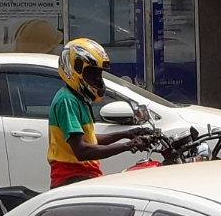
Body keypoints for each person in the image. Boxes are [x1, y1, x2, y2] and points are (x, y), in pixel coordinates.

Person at [44, 37, 151, 187]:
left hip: (85, 175)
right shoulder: (67, 101)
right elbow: (82, 151)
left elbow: (90, 140)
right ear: (75, 70)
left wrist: (127, 134)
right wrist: (127, 146)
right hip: (72, 177)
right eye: (92, 74)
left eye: (99, 75)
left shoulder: (78, 99)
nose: (97, 80)